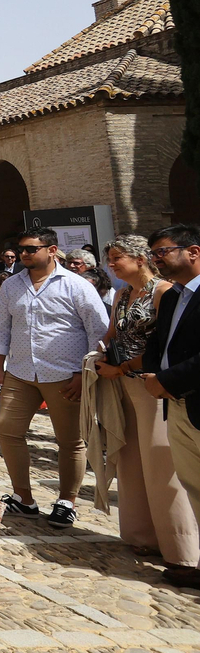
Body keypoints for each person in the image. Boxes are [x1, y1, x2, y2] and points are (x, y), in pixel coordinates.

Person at [88, 234, 196, 576]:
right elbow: (113, 335)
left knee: (161, 464)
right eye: (109, 259)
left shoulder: (163, 292)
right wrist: (103, 356)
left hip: (151, 385)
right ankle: (141, 534)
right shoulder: (121, 294)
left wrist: (123, 367)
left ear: (139, 259)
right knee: (131, 459)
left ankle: (181, 548)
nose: (112, 265)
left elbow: (161, 343)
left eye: (117, 258)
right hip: (121, 384)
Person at [0, 227, 110, 527]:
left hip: (64, 374)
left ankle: (66, 501)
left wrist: (84, 374)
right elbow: (1, 328)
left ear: (52, 250)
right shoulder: (12, 285)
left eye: (31, 249)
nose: (24, 254)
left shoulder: (76, 285)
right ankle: (24, 498)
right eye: (21, 249)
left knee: (70, 440)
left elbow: (99, 330)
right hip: (20, 372)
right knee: (7, 428)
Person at [136, 224, 200, 588]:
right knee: (194, 485)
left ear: (193, 251)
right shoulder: (174, 296)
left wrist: (167, 380)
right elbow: (162, 343)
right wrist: (150, 374)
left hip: (187, 396)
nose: (155, 259)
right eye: (153, 253)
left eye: (162, 251)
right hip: (176, 406)